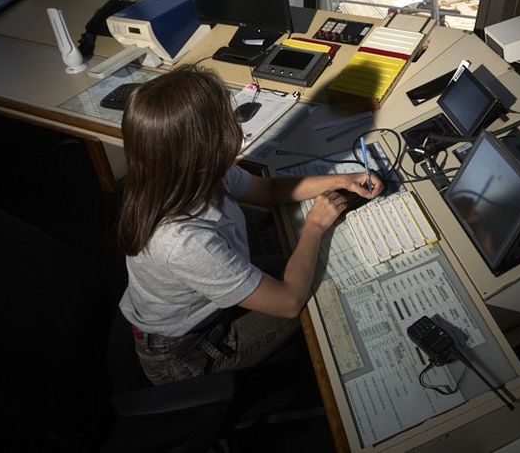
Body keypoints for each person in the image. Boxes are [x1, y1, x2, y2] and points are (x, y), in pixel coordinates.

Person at [117, 66, 384, 385]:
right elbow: (288, 302)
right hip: (189, 351)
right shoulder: (183, 242)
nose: (236, 124)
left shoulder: (186, 171)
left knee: (313, 263)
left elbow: (268, 190)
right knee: (326, 286)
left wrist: (342, 179)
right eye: (227, 119)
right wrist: (314, 226)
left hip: (204, 302)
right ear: (200, 144)